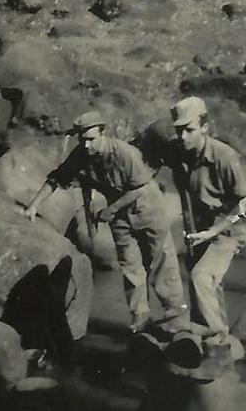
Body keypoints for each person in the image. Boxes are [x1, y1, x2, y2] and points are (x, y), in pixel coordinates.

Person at [22, 111, 188, 334]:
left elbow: (138, 188)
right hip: (119, 214)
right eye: (82, 140)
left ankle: (174, 313)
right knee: (130, 265)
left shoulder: (124, 152)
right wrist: (33, 206)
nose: (87, 145)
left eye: (91, 139)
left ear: (102, 133)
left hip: (148, 208)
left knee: (160, 259)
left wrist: (110, 210)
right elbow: (57, 178)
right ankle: (140, 316)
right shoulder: (81, 154)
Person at [165, 96, 246, 366]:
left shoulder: (223, 156)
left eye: (189, 129)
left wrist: (213, 231)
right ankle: (219, 345)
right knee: (208, 289)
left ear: (205, 127)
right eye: (178, 130)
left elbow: (245, 203)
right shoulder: (177, 150)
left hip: (228, 229)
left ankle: (218, 345)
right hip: (198, 229)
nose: (183, 136)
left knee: (200, 278)